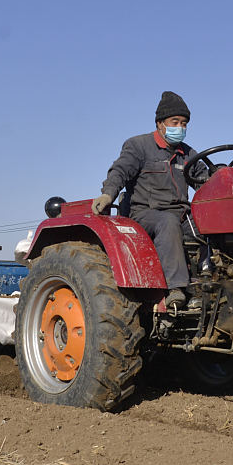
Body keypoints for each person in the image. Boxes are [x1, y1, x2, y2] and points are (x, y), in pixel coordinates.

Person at [92, 91, 207, 311]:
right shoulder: (138, 146)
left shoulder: (188, 153)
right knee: (168, 222)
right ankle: (175, 288)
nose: (180, 128)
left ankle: (207, 279)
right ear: (160, 123)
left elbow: (205, 179)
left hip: (181, 215)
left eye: (184, 124)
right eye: (175, 122)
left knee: (209, 223)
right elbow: (120, 171)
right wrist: (108, 194)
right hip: (145, 214)